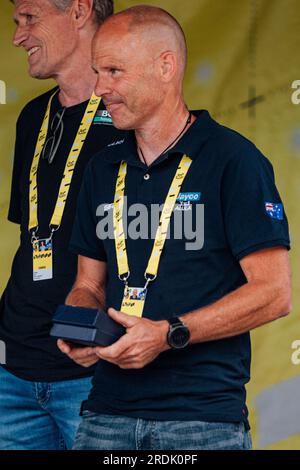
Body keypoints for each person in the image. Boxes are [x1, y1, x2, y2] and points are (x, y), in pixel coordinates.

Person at [59, 5, 292, 450]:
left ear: (165, 66)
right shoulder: (101, 168)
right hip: (105, 416)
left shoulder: (233, 161)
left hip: (201, 422)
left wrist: (168, 334)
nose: (99, 87)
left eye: (113, 71)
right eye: (96, 71)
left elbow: (273, 294)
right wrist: (80, 323)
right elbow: (88, 283)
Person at [0, 0, 125, 450]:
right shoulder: (34, 116)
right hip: (12, 373)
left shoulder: (134, 117)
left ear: (79, 10)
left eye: (29, 19)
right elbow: (32, 235)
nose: (18, 36)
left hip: (95, 372)